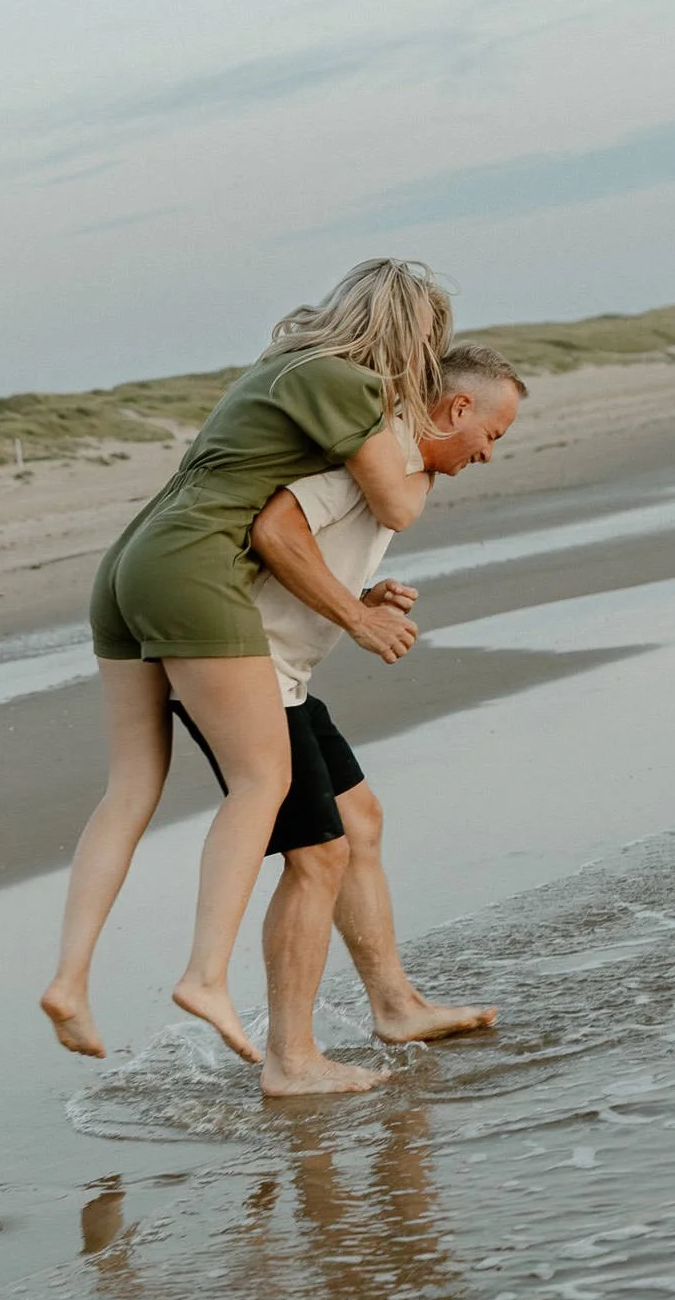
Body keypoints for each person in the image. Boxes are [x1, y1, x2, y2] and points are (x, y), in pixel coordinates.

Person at [40, 260, 447, 1069]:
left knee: (130, 785)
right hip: (194, 565)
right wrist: (433, 450)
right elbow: (396, 502)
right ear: (414, 337)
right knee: (264, 779)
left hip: (131, 562)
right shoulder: (348, 385)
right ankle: (206, 974)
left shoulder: (279, 366)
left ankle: (69, 980)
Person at [187, 342, 525, 1094]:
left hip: (284, 671)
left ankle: (397, 1005)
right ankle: (291, 1059)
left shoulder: (397, 464)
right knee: (318, 856)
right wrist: (359, 620)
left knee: (359, 820)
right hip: (240, 666)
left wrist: (358, 603)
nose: (489, 454)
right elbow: (277, 532)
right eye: (492, 434)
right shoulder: (369, 450)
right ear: (458, 407)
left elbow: (305, 550)